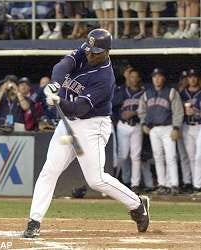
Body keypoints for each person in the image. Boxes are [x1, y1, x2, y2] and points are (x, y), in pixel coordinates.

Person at [23, 28, 150, 238]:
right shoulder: (85, 51)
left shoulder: (105, 78)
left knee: (95, 179)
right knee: (50, 170)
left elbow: (80, 108)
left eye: (95, 51)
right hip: (68, 124)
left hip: (92, 125)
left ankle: (137, 204)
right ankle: (34, 221)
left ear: (107, 51)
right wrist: (55, 84)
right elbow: (62, 65)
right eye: (89, 49)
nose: (90, 54)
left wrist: (59, 101)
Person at [138, 68, 184, 195]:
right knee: (158, 157)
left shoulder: (171, 91)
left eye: (159, 76)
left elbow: (178, 111)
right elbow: (141, 110)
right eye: (154, 77)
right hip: (153, 129)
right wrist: (143, 123)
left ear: (163, 78)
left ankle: (173, 184)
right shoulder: (147, 93)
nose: (157, 79)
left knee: (171, 156)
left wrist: (176, 127)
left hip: (168, 127)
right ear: (152, 79)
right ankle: (162, 184)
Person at [115, 68, 145, 194]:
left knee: (135, 156)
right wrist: (120, 116)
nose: (133, 79)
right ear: (128, 78)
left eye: (135, 77)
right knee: (123, 155)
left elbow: (148, 110)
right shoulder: (122, 91)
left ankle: (135, 184)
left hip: (137, 126)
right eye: (131, 77)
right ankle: (123, 180)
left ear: (138, 79)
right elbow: (112, 105)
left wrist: (134, 112)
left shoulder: (144, 92)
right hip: (123, 125)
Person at [180, 69, 201, 192]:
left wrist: (196, 112)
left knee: (199, 156)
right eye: (190, 77)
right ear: (187, 79)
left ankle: (198, 185)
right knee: (191, 156)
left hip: (199, 125)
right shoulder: (182, 93)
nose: (192, 79)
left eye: (194, 77)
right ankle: (194, 184)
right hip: (187, 126)